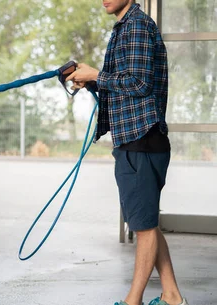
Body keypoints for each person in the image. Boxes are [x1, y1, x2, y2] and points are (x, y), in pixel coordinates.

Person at [65, 1, 189, 305]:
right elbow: (127, 84)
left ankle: (132, 301)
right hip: (138, 141)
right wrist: (92, 80)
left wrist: (97, 75)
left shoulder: (135, 26)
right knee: (146, 221)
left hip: (141, 141)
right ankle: (172, 296)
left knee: (144, 227)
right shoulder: (127, 26)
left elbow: (140, 83)